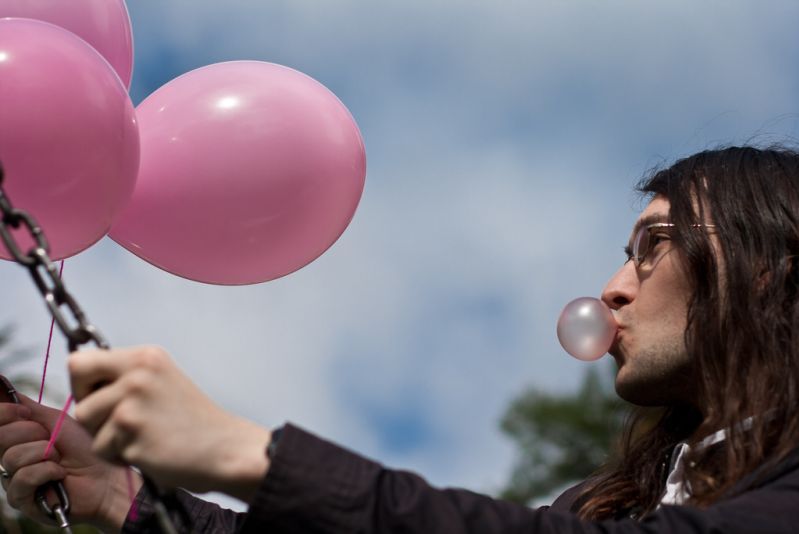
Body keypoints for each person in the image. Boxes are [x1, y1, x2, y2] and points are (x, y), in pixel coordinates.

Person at [3, 145, 799, 532]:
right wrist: (128, 499)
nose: (612, 288)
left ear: (766, 264)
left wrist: (252, 455)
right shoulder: (608, 500)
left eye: (651, 246)